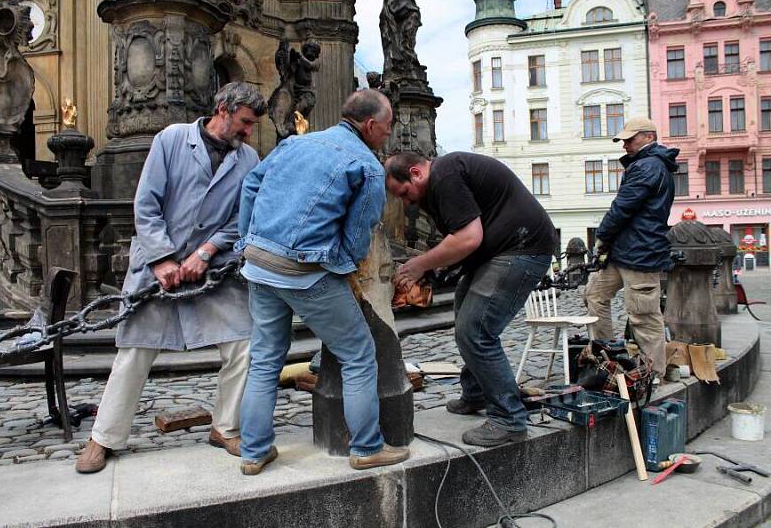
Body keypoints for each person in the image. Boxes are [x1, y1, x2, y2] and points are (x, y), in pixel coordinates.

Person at [75, 83, 267, 474]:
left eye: (253, 124)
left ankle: (225, 427)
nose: (249, 131)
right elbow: (146, 203)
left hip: (212, 270)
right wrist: (163, 259)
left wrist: (206, 251)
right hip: (155, 266)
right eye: (245, 122)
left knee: (244, 344)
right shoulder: (172, 139)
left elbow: (241, 219)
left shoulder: (249, 159)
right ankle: (103, 438)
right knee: (135, 351)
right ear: (222, 109)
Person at [237, 89, 409, 475]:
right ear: (369, 125)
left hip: (259, 264)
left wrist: (244, 241)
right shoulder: (366, 166)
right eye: (387, 126)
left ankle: (253, 452)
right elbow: (359, 232)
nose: (388, 133)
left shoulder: (294, 143)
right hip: (304, 271)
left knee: (264, 360)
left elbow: (251, 186)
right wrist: (345, 267)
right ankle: (367, 447)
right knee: (358, 353)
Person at [385, 151, 557, 447]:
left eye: (404, 192)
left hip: (522, 248)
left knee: (476, 329)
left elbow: (468, 238)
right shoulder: (441, 182)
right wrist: (438, 272)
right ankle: (476, 391)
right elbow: (463, 242)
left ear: (415, 173)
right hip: (503, 250)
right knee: (464, 310)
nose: (406, 202)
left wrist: (420, 264)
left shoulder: (445, 174)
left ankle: (508, 419)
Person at [585, 117, 677, 379]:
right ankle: (607, 357)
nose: (624, 144)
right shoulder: (648, 165)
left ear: (649, 137)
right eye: (623, 139)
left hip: (640, 252)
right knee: (595, 294)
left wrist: (601, 236)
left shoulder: (647, 166)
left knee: (644, 316)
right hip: (626, 249)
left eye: (630, 138)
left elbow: (622, 208)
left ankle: (653, 375)